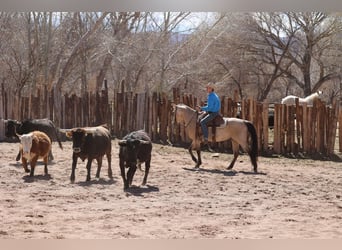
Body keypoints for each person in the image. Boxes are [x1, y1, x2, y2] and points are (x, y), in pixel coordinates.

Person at [196, 82, 221, 151]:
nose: (207, 89)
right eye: (207, 87)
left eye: (208, 88)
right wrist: (203, 109)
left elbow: (209, 107)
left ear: (211, 89)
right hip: (214, 111)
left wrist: (201, 108)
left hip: (213, 113)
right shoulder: (214, 95)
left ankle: (206, 138)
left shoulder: (211, 96)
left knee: (202, 122)